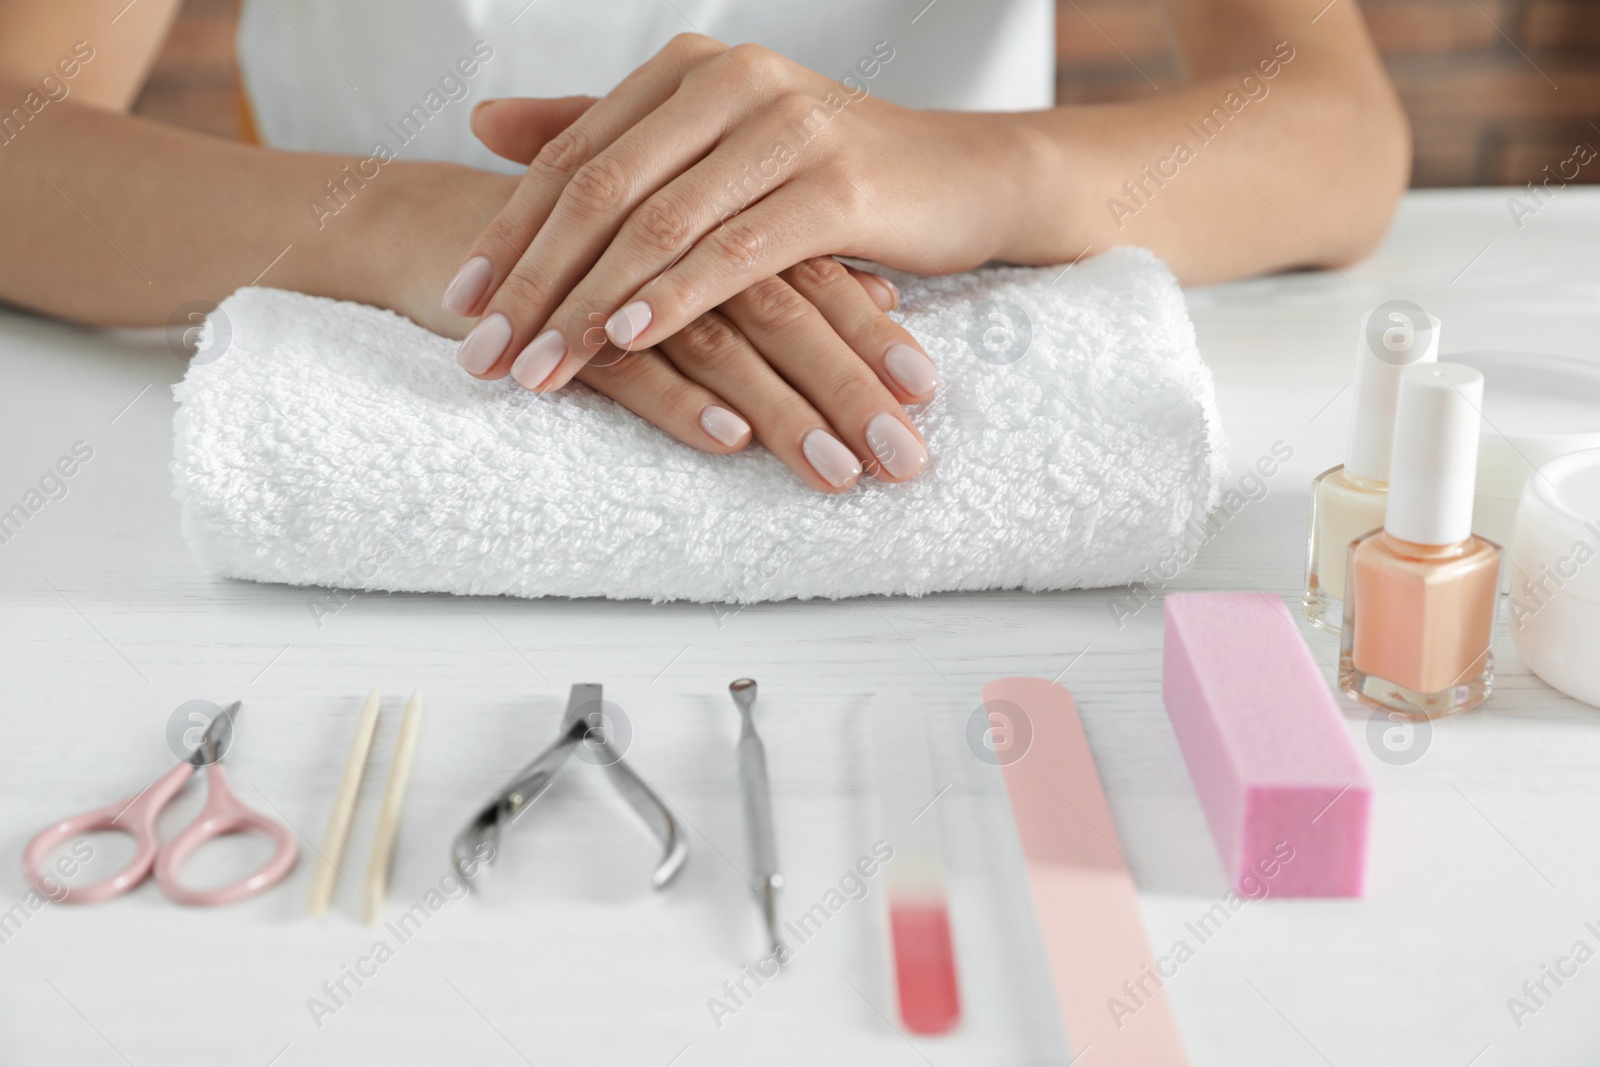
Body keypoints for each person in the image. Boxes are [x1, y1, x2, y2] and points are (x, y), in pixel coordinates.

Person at [0, 0, 1408, 492]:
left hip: (916, 347)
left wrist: (986, 169)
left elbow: (1339, 129)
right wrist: (418, 225)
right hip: (392, 342)